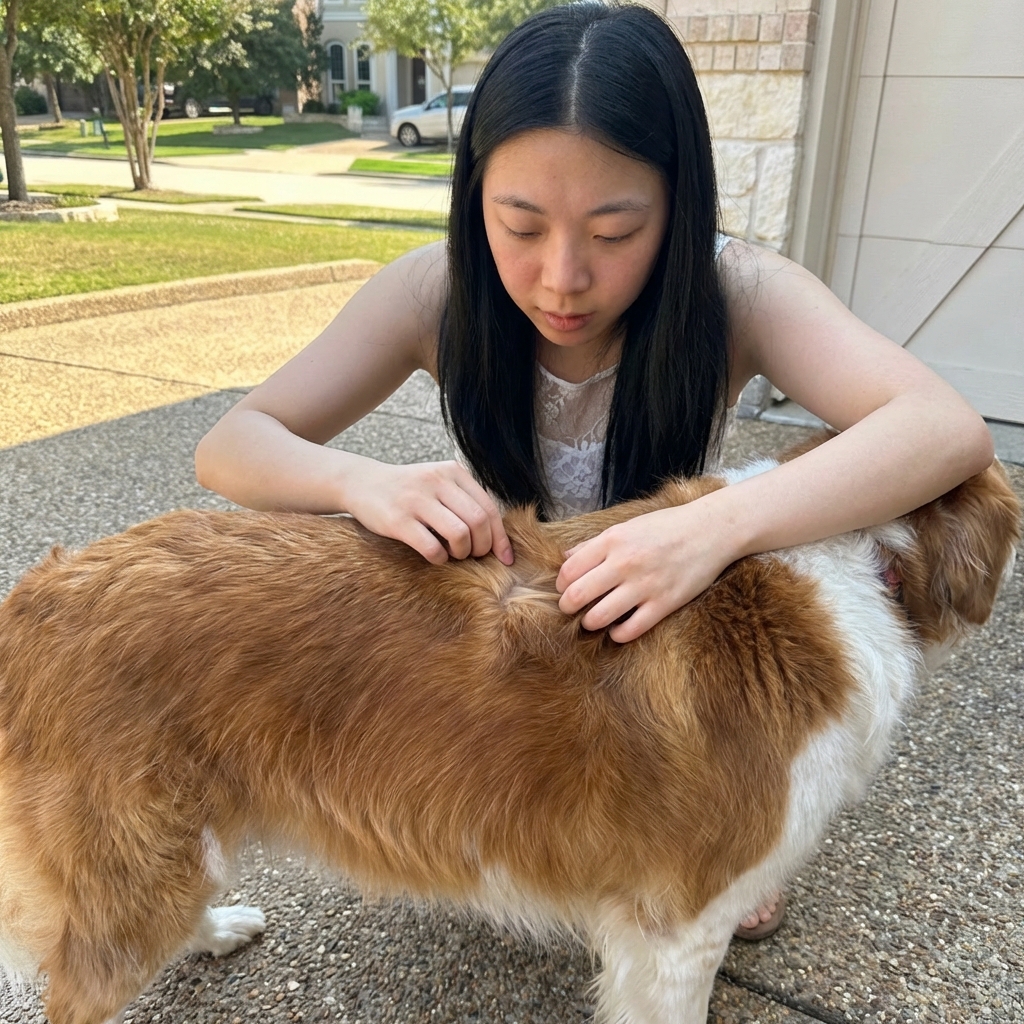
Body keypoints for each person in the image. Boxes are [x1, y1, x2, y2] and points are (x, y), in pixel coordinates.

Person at [194, 2, 993, 939]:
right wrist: (360, 483)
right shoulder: (437, 289)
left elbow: (941, 426)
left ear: (678, 205)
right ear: (473, 195)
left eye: (615, 232)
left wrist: (713, 527)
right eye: (520, 224)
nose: (562, 277)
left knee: (715, 887)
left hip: (667, 647)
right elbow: (232, 445)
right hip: (513, 655)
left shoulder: (734, 290)